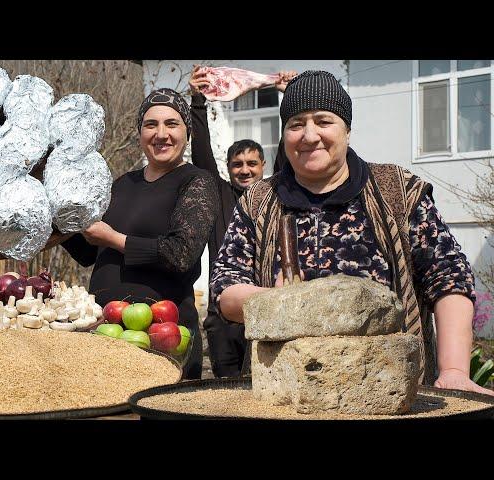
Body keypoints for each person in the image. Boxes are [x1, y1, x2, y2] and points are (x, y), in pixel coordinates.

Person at [209, 70, 493, 395]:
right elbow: (225, 288)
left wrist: (455, 370)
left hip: (390, 393)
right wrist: (291, 303)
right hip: (283, 394)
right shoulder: (259, 200)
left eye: (323, 121)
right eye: (296, 124)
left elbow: (450, 277)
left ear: (347, 129)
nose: (309, 135)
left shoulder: (398, 191)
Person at [62, 87, 219, 380]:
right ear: (140, 133)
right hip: (105, 334)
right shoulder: (123, 184)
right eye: (151, 124)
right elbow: (87, 253)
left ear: (187, 131)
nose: (161, 134)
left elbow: (180, 253)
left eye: (171, 124)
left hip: (163, 339)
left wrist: (113, 238)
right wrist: (60, 222)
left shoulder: (196, 182)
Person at [188, 66, 296, 377]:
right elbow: (201, 153)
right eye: (237, 164)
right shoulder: (218, 194)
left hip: (268, 312)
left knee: (266, 393)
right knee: (226, 396)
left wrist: (287, 98)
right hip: (222, 317)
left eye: (252, 163)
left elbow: (288, 153)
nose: (245, 170)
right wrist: (198, 100)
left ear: (264, 165)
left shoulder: (275, 194)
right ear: (229, 168)